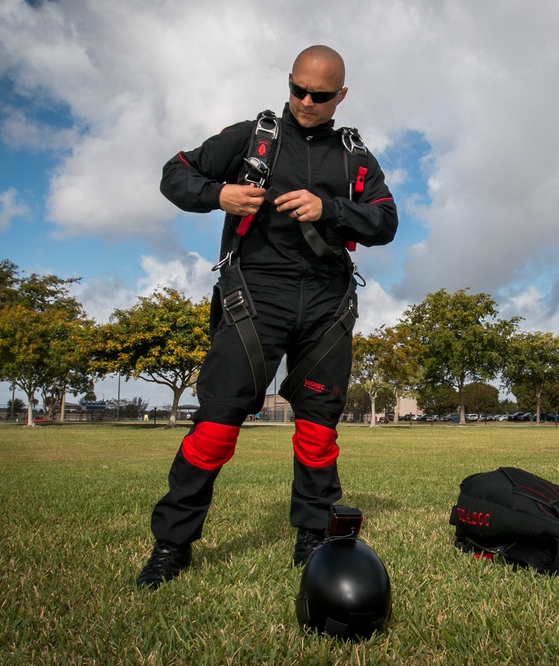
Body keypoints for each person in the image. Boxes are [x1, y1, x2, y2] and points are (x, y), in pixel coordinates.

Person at [136, 45, 398, 589]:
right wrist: (219, 193)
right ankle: (172, 546)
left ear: (340, 96)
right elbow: (173, 174)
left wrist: (331, 209)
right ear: (289, 82)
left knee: (319, 430)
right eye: (298, 89)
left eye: (320, 95)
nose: (306, 101)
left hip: (327, 301)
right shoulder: (251, 137)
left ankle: (313, 535)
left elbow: (387, 220)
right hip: (254, 295)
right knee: (215, 425)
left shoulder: (355, 155)